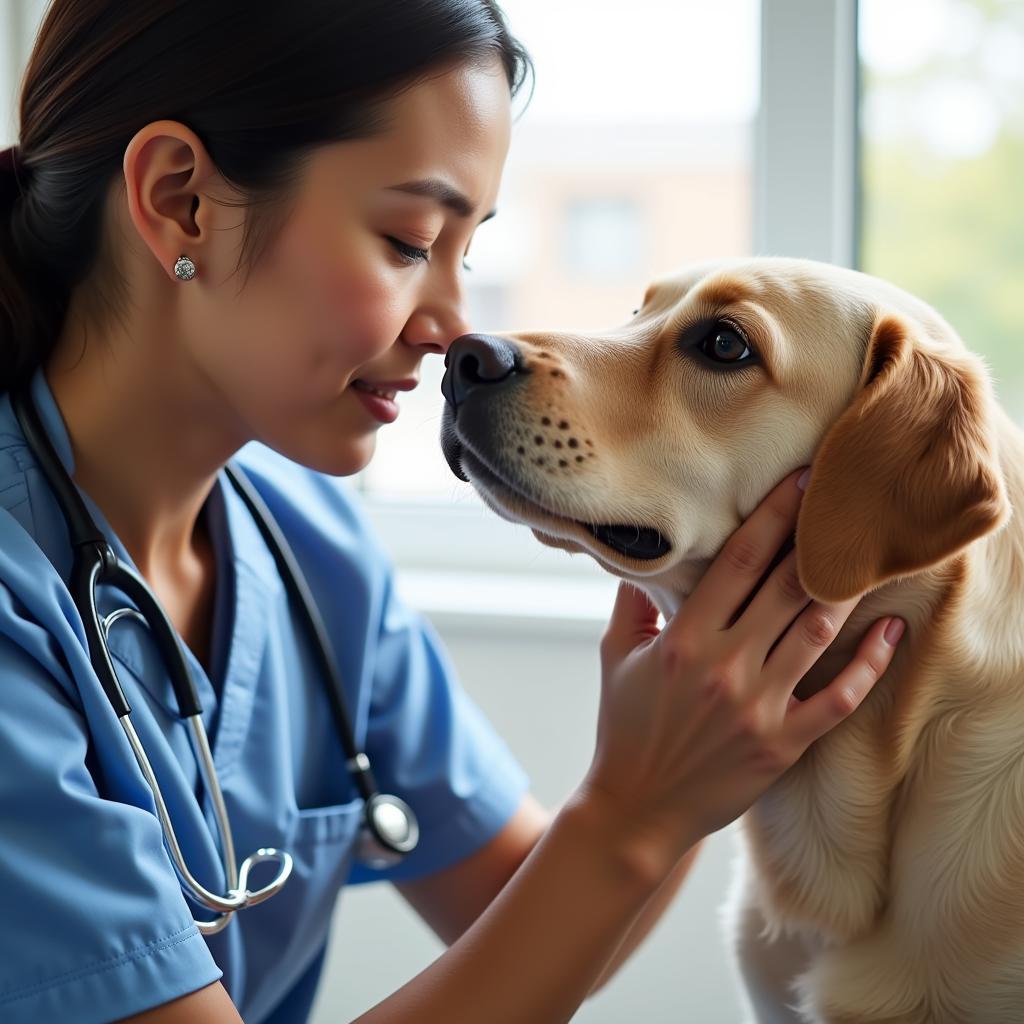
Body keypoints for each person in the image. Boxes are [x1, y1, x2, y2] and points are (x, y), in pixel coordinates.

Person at [0, 3, 905, 1022]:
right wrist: (633, 809)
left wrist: (685, 755)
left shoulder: (307, 546)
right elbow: (592, 863)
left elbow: (526, 914)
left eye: (465, 251)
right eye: (406, 240)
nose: (453, 327)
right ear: (182, 200)